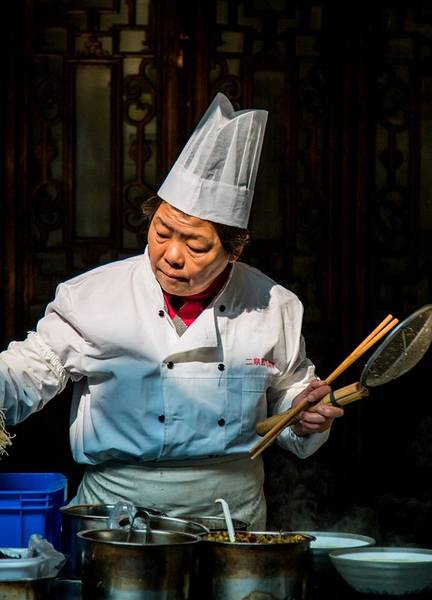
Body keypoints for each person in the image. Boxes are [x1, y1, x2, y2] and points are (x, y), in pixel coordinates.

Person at [0, 93, 343, 529]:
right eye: (162, 232)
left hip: (230, 521)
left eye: (195, 244)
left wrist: (305, 414)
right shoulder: (92, 296)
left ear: (235, 249)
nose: (172, 255)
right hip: (115, 519)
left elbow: (290, 396)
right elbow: (30, 369)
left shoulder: (274, 305)